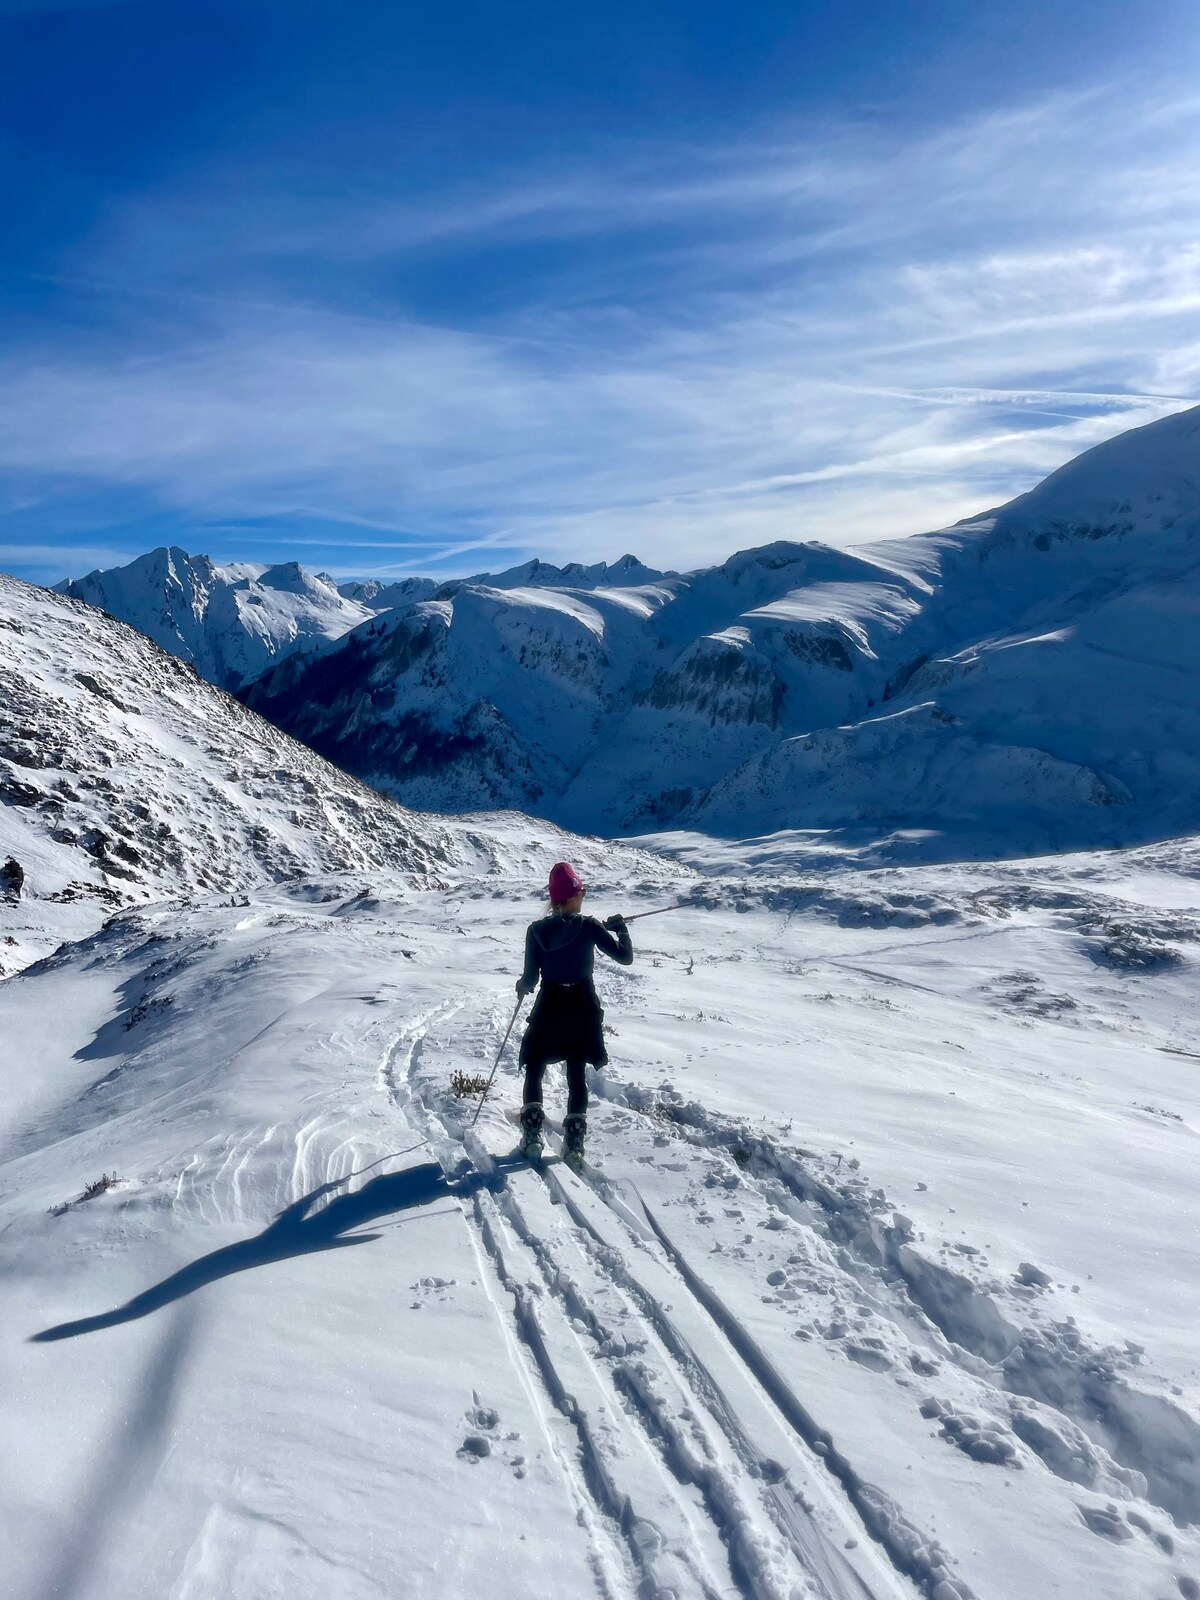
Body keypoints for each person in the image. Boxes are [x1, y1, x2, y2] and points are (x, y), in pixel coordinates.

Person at [515, 860, 633, 1164]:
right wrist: (621, 929)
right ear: (571, 897)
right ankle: (575, 1145)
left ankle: (531, 1136)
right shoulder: (590, 926)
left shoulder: (536, 931)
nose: (583, 896)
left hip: (550, 1003)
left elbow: (531, 978)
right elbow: (625, 958)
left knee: (535, 1064)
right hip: (582, 1005)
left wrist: (521, 986)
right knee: (576, 1070)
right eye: (581, 892)